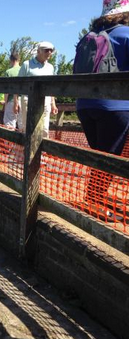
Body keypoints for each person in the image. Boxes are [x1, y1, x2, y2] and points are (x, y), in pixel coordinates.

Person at [75, 0, 129, 220]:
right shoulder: (126, 34)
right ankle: (95, 203)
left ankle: (94, 200)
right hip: (115, 107)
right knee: (107, 161)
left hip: (85, 105)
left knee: (100, 158)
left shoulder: (88, 37)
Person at [14, 41, 59, 137]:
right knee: (28, 127)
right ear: (38, 51)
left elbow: (51, 87)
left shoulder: (50, 67)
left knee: (45, 129)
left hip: (46, 101)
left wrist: (53, 104)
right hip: (28, 100)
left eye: (51, 50)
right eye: (47, 50)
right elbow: (18, 85)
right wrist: (15, 102)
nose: (49, 53)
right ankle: (27, 151)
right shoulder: (27, 64)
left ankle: (41, 152)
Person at [3, 52, 21, 128]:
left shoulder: (8, 72)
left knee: (9, 124)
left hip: (11, 101)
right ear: (19, 59)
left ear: (11, 60)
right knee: (22, 125)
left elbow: (6, 91)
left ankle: (9, 140)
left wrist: (5, 103)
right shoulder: (23, 71)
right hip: (23, 100)